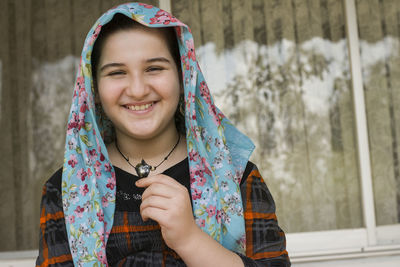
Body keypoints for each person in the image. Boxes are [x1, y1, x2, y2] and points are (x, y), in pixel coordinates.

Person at [36, 2, 290, 267]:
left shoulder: (237, 177)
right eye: (117, 72)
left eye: (154, 68)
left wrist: (190, 240)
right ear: (93, 89)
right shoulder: (66, 190)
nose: (137, 89)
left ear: (183, 76)